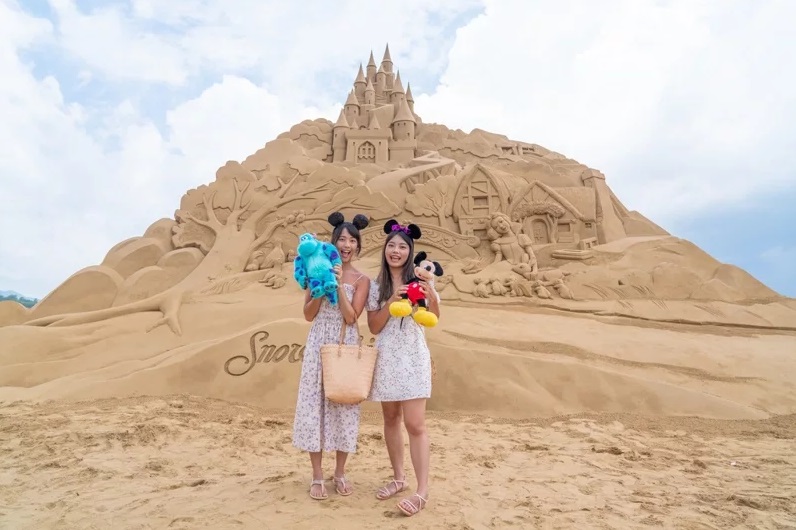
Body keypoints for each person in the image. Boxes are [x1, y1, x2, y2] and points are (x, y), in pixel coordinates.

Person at [292, 211, 370, 500]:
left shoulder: (362, 279)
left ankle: (339, 473)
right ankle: (316, 475)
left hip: (344, 342)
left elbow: (351, 317)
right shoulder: (316, 268)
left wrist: (338, 286)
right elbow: (308, 314)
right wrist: (320, 287)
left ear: (358, 246)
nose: (346, 245)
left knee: (344, 406)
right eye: (342, 240)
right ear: (333, 242)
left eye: (352, 240)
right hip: (318, 343)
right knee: (314, 405)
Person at [366, 219, 440, 517]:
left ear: (410, 252)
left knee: (416, 424)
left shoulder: (420, 280)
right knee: (391, 419)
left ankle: (422, 491)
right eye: (391, 246)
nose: (396, 251)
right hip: (386, 358)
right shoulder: (376, 286)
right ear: (385, 250)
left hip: (413, 357)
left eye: (402, 247)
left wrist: (431, 295)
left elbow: (434, 318)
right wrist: (390, 301)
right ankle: (399, 478)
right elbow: (373, 327)